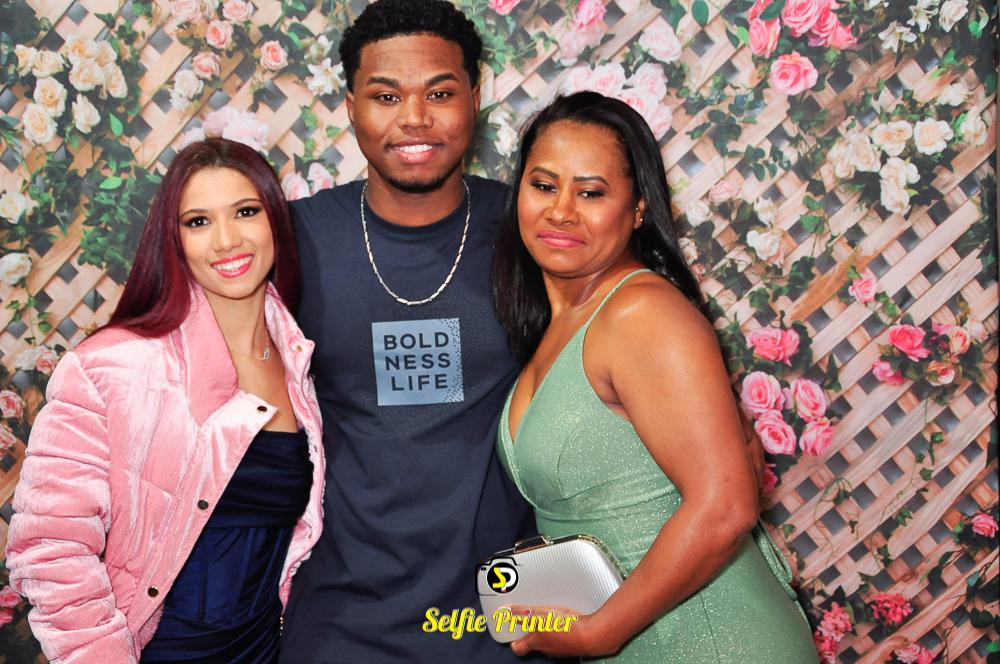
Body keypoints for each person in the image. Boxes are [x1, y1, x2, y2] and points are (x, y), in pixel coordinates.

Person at [491, 91, 819, 663]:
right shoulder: (561, 323)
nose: (561, 210)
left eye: (591, 192)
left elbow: (725, 506)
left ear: (638, 208)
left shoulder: (641, 312)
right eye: (543, 186)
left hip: (715, 643)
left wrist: (601, 630)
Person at [278, 1, 540, 662]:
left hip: (504, 620)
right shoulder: (294, 239)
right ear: (351, 107)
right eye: (386, 96)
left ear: (475, 99)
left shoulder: (533, 231)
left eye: (440, 93)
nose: (415, 118)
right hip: (341, 624)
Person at [5, 138, 326, 664]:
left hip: (266, 651)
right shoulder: (112, 366)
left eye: (246, 212)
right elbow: (49, 548)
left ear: (276, 220)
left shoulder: (297, 357)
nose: (226, 239)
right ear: (173, 240)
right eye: (198, 222)